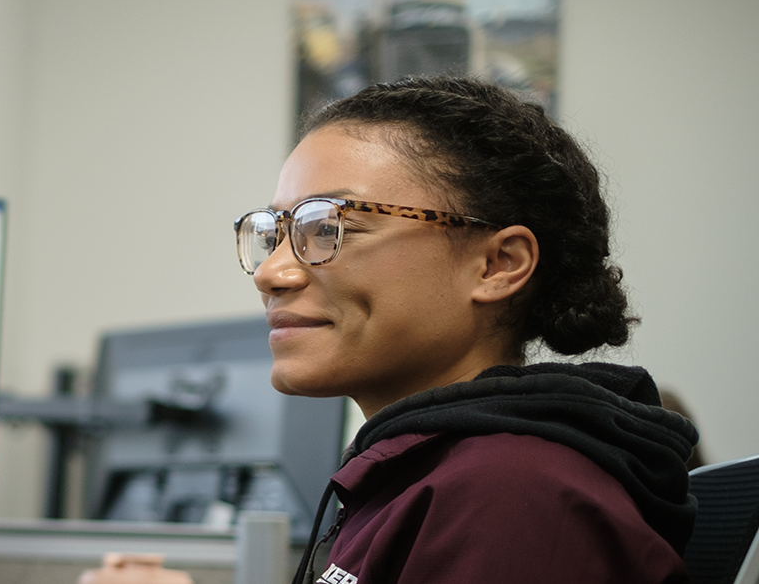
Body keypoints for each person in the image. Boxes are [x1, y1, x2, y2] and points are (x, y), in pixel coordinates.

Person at [234, 76, 697, 583]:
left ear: (498, 264)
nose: (270, 273)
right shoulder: (425, 475)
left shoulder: (512, 494)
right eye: (274, 232)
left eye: (328, 227)